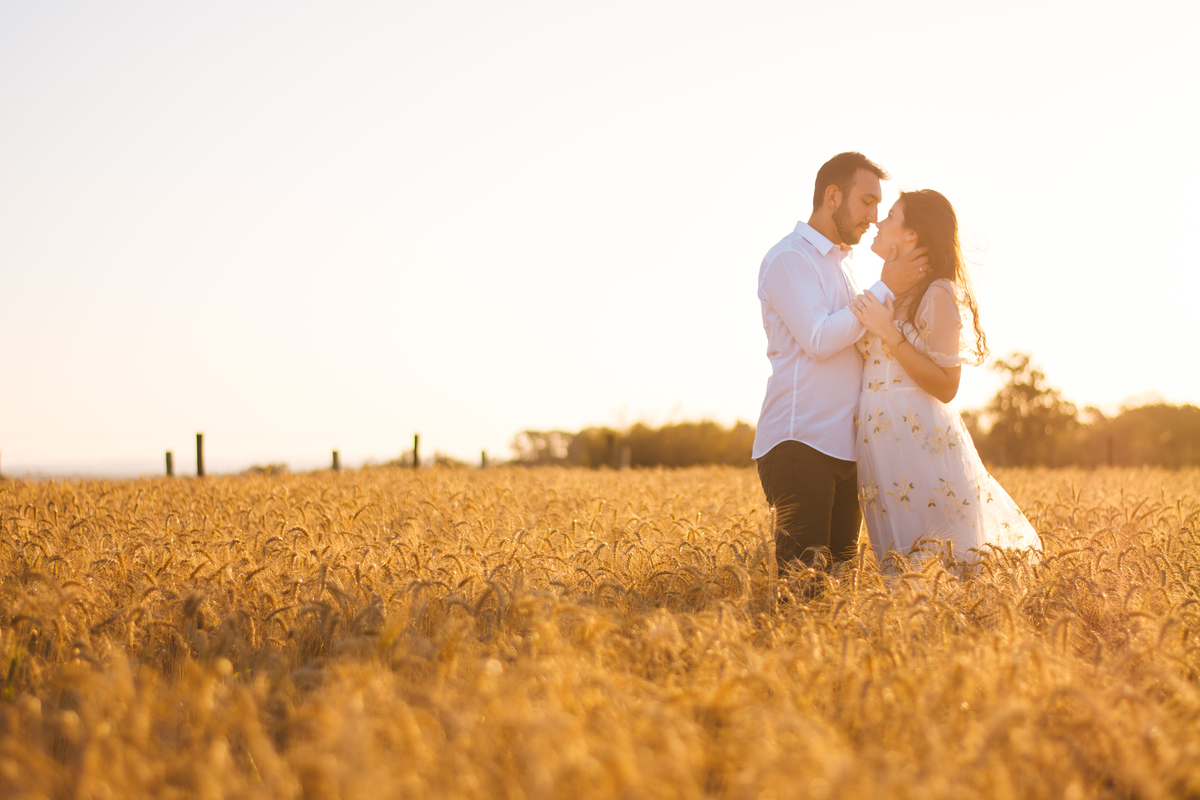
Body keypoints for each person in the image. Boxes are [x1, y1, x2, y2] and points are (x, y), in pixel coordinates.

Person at [753, 152, 927, 575]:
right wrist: (886, 287)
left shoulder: (844, 267)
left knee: (837, 598)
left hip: (847, 452)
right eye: (866, 201)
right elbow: (818, 338)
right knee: (804, 593)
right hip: (800, 445)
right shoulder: (789, 259)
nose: (874, 215)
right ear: (833, 196)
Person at [848, 189, 1041, 568]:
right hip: (879, 446)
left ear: (911, 234)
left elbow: (947, 385)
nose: (878, 222)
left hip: (920, 445)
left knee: (940, 560)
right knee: (899, 566)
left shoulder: (937, 293)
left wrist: (891, 334)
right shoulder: (885, 292)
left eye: (889, 216)